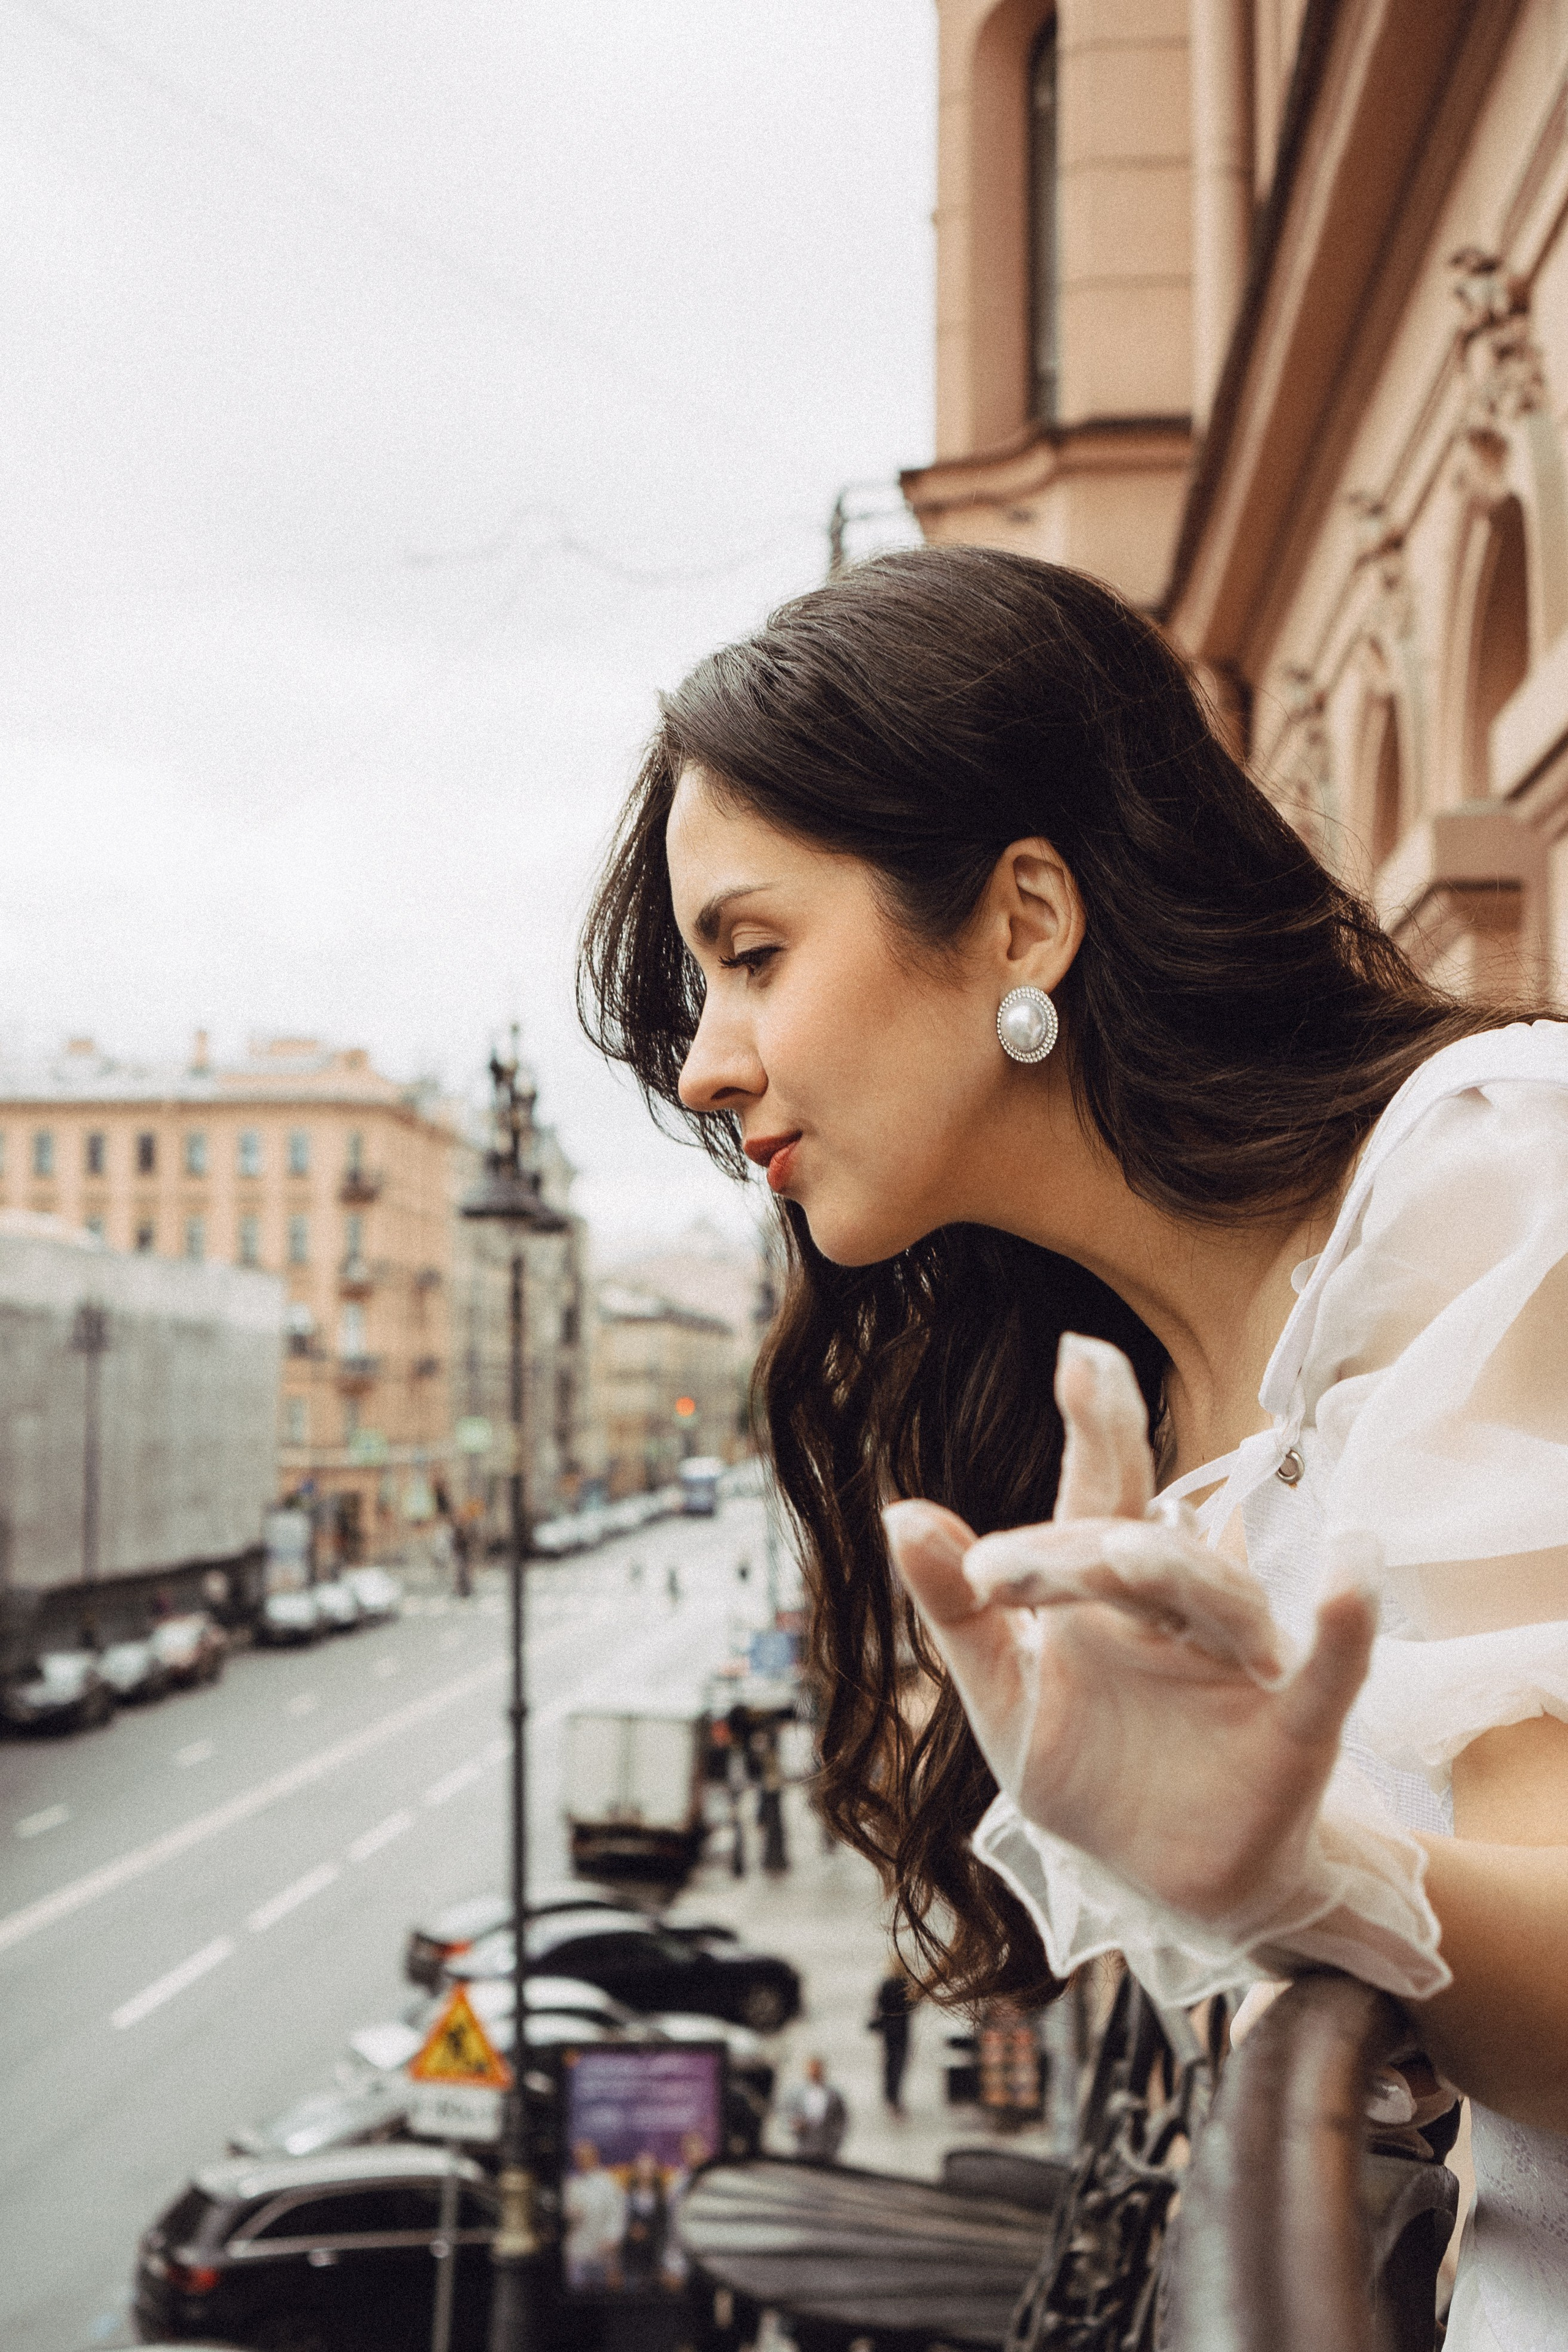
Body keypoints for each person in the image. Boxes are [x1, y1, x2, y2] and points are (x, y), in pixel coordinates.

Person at [578, 544, 1568, 2351]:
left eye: (752, 952)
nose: (709, 1063)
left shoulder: (1480, 1181)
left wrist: (1288, 1874)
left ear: (1022, 921)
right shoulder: (1128, 1393)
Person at [562, 2140, 624, 2292]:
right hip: (577, 2252)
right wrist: (568, 2215)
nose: (581, 2160)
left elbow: (618, 2214)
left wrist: (612, 2238)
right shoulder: (572, 2184)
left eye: (585, 2156)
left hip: (602, 2252)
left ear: (595, 2157)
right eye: (578, 2156)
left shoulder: (608, 2183)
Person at [867, 1962, 918, 2113]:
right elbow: (915, 2005)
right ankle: (894, 2095)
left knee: (889, 2061)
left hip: (889, 2029)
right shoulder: (907, 1986)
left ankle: (889, 2094)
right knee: (900, 2062)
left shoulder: (886, 1984)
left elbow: (878, 2005)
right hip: (902, 2028)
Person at [617, 2149, 668, 2291]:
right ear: (636, 2170)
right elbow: (618, 2226)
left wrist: (649, 2233)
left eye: (649, 2166)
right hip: (631, 2261)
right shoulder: (626, 2197)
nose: (646, 2170)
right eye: (642, 2166)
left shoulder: (662, 2200)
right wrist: (630, 2232)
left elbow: (664, 2230)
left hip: (654, 2262)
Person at [784, 2055, 848, 2164]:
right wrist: (794, 2126)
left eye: (817, 2069)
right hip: (803, 2148)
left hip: (826, 2149)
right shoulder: (797, 2094)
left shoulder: (833, 2095)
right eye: (812, 2069)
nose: (814, 2072)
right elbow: (786, 2115)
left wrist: (835, 2142)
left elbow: (841, 2121)